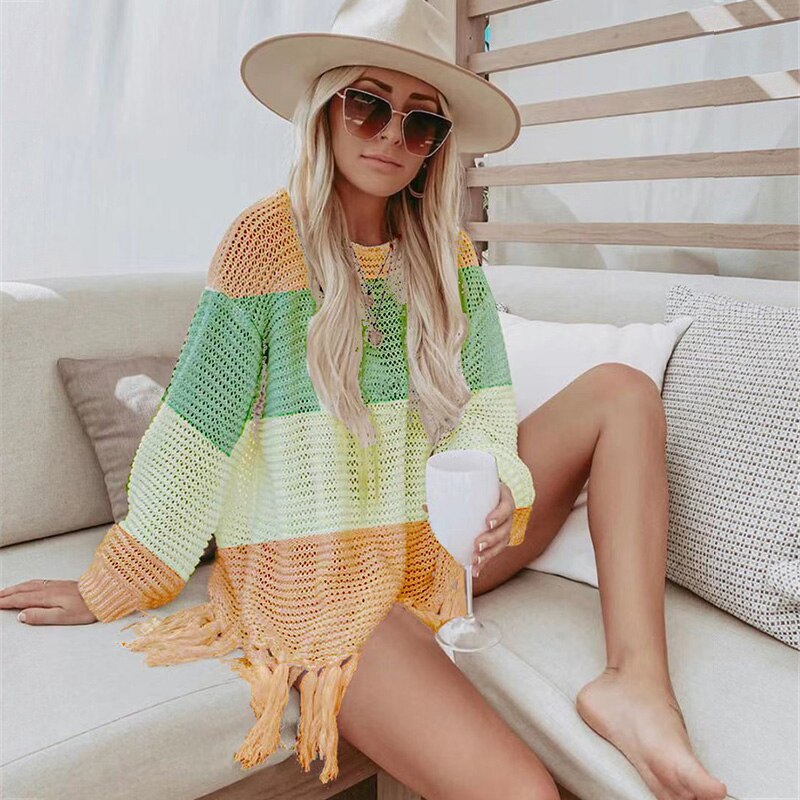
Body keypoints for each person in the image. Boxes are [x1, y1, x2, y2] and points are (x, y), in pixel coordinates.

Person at [1, 1, 729, 799]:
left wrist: (495, 480)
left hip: (425, 541)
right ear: (326, 109)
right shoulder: (264, 242)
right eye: (369, 105)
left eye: (422, 122)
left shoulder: (449, 254)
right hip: (315, 574)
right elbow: (196, 435)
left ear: (437, 145)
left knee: (623, 393)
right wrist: (117, 580)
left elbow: (485, 406)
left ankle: (635, 683)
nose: (392, 136)